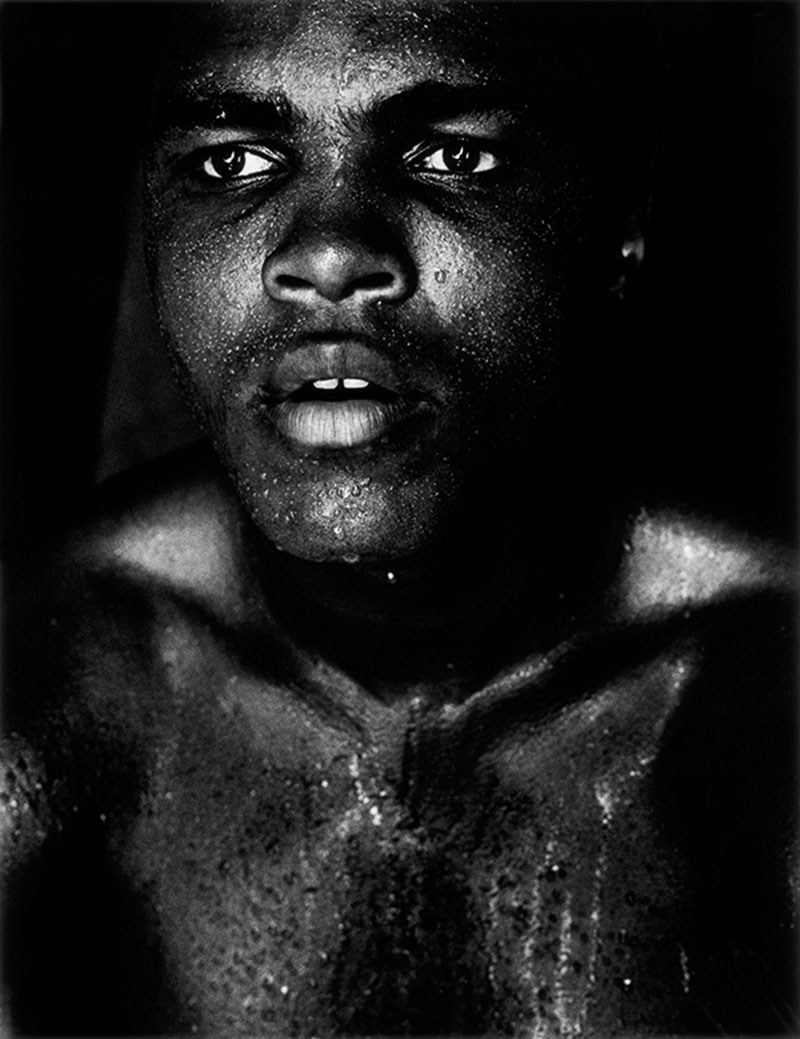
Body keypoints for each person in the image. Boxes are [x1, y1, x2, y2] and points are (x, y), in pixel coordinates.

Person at [1, 0, 795, 1035]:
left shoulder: (761, 702)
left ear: (620, 218)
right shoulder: (41, 676)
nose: (327, 257)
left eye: (451, 157)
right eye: (232, 163)